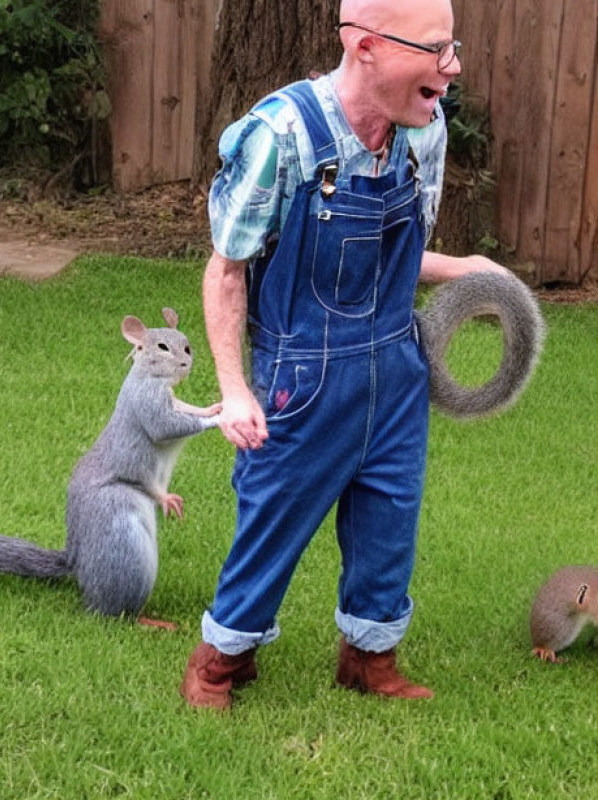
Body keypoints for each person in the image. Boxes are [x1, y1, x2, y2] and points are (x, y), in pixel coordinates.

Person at [180, 0, 508, 709]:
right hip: (304, 377)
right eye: (435, 50)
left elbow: (403, 253)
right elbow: (226, 269)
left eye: (453, 48)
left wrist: (467, 267)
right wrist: (235, 388)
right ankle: (219, 663)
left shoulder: (425, 132)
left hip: (395, 367)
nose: (452, 69)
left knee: (390, 519)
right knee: (274, 521)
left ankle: (370, 657)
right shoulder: (282, 136)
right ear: (365, 47)